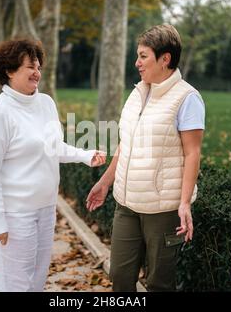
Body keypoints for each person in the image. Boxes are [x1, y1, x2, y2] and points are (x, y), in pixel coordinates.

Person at [0, 38, 106, 292]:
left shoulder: (45, 103)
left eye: (38, 66)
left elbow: (54, 147)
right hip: (15, 215)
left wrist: (84, 155)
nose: (37, 72)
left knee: (36, 282)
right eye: (30, 67)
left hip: (46, 210)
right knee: (15, 285)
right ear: (10, 71)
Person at [86, 24, 205, 292]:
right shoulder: (139, 92)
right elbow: (126, 145)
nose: (136, 62)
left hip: (163, 211)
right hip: (127, 204)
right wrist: (105, 182)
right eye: (137, 55)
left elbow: (192, 153)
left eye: (143, 56)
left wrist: (184, 203)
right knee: (119, 275)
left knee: (159, 284)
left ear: (165, 59)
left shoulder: (187, 98)